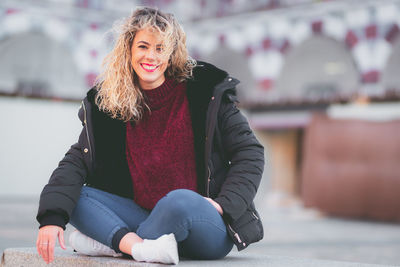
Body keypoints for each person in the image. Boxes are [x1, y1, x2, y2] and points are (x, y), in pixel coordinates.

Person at [36, 7, 264, 265]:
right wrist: (51, 218)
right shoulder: (110, 104)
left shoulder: (204, 92)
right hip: (143, 215)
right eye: (143, 46)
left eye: (160, 48)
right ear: (129, 50)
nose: (151, 56)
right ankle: (137, 247)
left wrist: (224, 205)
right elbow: (77, 161)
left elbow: (251, 152)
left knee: (179, 201)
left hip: (203, 221)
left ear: (171, 53)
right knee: (76, 195)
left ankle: (112, 243)